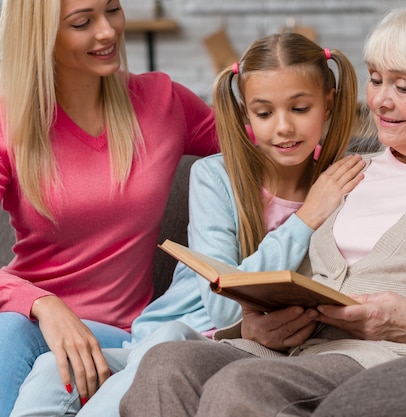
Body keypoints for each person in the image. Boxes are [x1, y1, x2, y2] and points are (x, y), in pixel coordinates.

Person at [119, 2, 406, 416]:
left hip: (390, 357)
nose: (379, 100)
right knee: (166, 364)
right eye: (377, 80)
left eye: (403, 86)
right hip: (298, 351)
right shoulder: (349, 170)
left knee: (244, 387)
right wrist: (257, 325)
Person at [9, 31, 364, 417]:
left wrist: (315, 207)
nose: (283, 127)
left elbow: (229, 321)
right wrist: (306, 217)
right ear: (246, 113)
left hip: (208, 346)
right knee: (51, 368)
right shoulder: (216, 176)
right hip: (156, 333)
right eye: (264, 113)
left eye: (300, 109)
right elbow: (224, 305)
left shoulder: (340, 187)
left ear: (328, 105)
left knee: (170, 342)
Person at [0, 0, 220, 415]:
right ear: (41, 35)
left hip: (123, 335)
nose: (107, 31)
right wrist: (44, 304)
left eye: (113, 10)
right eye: (83, 22)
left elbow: (261, 146)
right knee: (9, 329)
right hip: (29, 327)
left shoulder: (162, 102)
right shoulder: (8, 119)